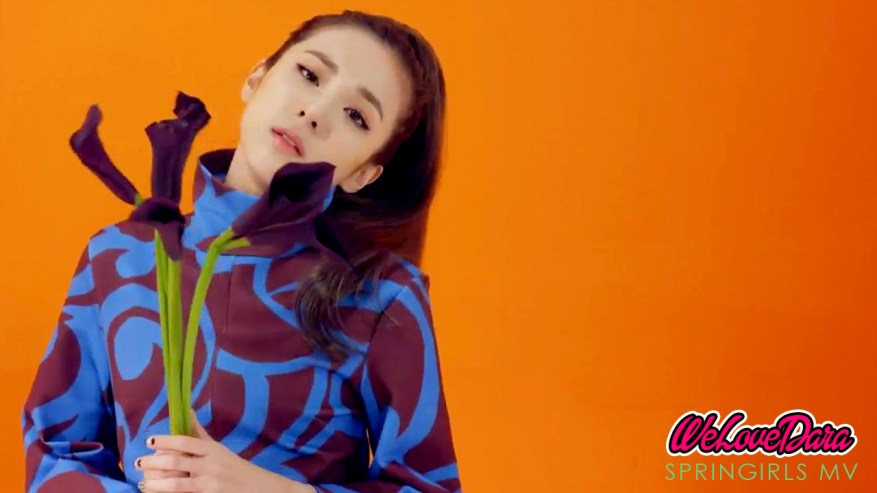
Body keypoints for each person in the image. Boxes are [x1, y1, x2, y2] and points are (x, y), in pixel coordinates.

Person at [22, 9, 461, 493]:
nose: (315, 112)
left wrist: (269, 490)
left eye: (356, 116)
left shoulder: (380, 297)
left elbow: (429, 487)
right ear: (257, 77)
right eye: (309, 74)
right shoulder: (118, 257)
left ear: (364, 174)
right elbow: (55, 452)